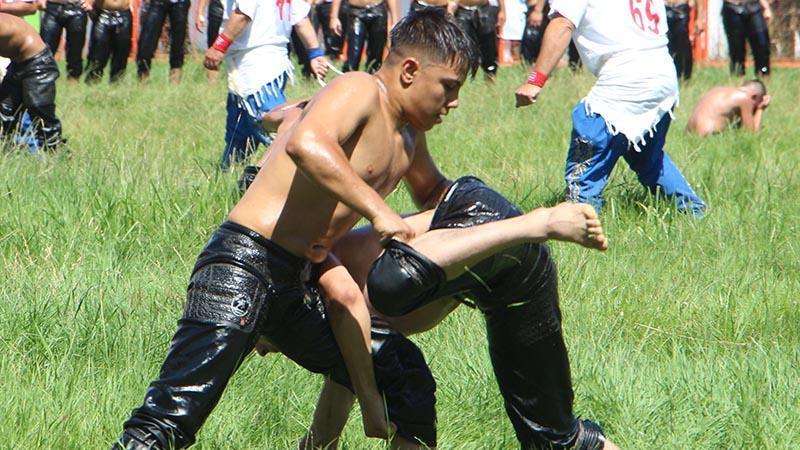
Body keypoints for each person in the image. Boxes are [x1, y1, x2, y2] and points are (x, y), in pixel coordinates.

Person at [111, 9, 480, 449]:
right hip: (245, 263)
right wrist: (379, 211)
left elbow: (436, 194)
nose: (453, 102)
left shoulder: (409, 138)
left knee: (406, 377)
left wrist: (498, 221)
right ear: (410, 71)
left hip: (300, 284)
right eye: (448, 87)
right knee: (173, 416)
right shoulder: (359, 89)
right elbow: (307, 144)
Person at [294, 176, 617, 450]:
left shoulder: (327, 292)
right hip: (498, 265)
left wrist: (368, 405)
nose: (270, 352)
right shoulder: (344, 326)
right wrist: (319, 442)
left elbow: (348, 317)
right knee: (555, 441)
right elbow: (347, 372)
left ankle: (539, 222)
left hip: (487, 230)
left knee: (407, 387)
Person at [514, 0, 706, 217]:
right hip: (662, 75)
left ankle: (580, 217)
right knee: (647, 157)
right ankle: (693, 211)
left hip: (627, 79)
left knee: (588, 135)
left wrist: (535, 80)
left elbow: (562, 25)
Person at [204, 0, 328, 170]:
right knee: (240, 135)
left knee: (279, 131)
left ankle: (312, 173)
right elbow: (301, 19)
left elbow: (244, 13)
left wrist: (219, 46)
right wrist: (315, 52)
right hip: (268, 62)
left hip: (256, 67)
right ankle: (228, 175)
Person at [0, 12, 64, 151]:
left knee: (39, 111)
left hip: (38, 63)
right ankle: (7, 151)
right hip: (17, 63)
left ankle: (56, 153)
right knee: (5, 110)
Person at [330, 0, 397, 73]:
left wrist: (394, 20)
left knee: (376, 57)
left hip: (378, 10)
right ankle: (349, 76)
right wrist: (334, 17)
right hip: (356, 11)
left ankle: (372, 77)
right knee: (354, 54)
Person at [687, 79, 769, 136]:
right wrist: (760, 109)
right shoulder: (745, 98)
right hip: (707, 136)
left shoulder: (721, 90)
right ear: (754, 96)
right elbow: (751, 135)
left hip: (689, 134)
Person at [136, 0, 190, 84]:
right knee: (145, 45)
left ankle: (174, 85)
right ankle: (142, 83)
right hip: (156, 3)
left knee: (178, 45)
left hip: (179, 3)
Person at [449, 0, 505, 81]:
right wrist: (450, 10)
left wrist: (502, 10)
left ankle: (490, 77)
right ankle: (461, 77)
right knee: (464, 47)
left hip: (484, 9)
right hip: (462, 11)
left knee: (489, 48)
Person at [520, 0, 580, 70]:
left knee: (531, 56)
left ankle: (537, 73)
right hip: (555, 9)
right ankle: (575, 69)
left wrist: (537, 10)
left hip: (552, 9)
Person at [39, 0, 89, 81]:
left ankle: (73, 81)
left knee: (75, 50)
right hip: (52, 7)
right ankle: (44, 80)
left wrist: (90, 2)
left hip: (76, 7)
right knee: (46, 49)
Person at [84, 0, 132, 83]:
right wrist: (89, 3)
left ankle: (117, 82)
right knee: (98, 51)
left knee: (121, 51)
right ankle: (92, 81)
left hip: (123, 13)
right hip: (103, 13)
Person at [721, 0, 771, 78]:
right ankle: (738, 78)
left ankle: (763, 76)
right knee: (737, 50)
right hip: (732, 7)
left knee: (762, 46)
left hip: (754, 7)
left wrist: (766, 7)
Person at [665, 0, 704, 81]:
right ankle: (673, 76)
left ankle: (685, 77)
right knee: (668, 45)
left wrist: (700, 18)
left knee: (682, 41)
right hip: (665, 7)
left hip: (681, 7)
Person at [194, 0, 225, 83]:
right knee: (213, 50)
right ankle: (212, 85)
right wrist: (200, 13)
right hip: (217, 9)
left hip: (239, 12)